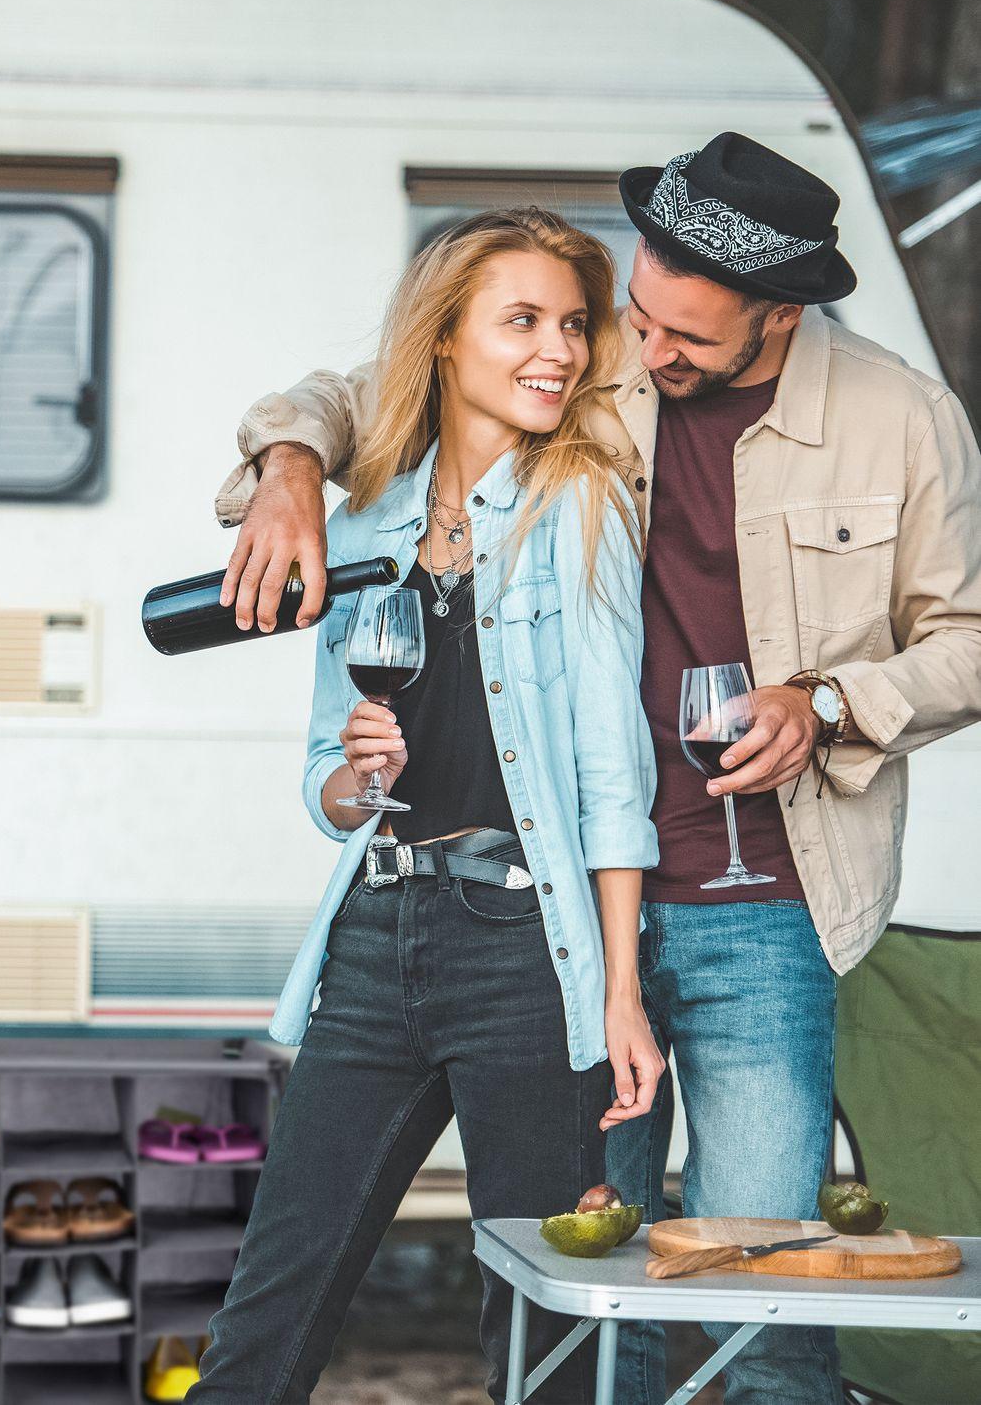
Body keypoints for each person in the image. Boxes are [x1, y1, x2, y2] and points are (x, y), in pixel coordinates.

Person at [211, 133, 981, 1405]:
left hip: (760, 900)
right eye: (635, 312)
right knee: (588, 1298)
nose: (636, 351)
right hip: (560, 907)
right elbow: (370, 391)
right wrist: (290, 469)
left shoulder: (901, 421)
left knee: (761, 1292)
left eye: (685, 336)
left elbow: (967, 640)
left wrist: (831, 703)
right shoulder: (592, 356)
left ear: (780, 314)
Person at [188, 208, 663, 1404]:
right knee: (273, 1299)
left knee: (543, 1327)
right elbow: (327, 787)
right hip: (375, 932)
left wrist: (618, 992)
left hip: (523, 945)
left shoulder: (581, 505)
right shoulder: (361, 526)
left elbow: (614, 774)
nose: (557, 350)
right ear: (444, 338)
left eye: (572, 325)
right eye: (522, 321)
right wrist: (361, 773)